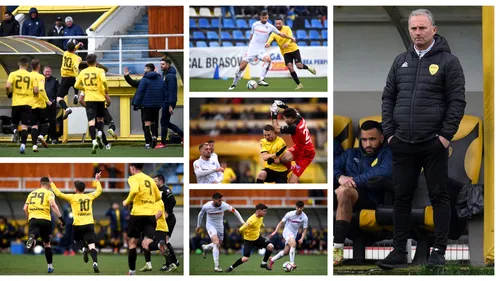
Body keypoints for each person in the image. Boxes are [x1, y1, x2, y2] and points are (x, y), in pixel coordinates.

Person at [378, 8, 466, 270]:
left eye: (422, 28)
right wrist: (390, 133)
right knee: (401, 198)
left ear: (433, 30)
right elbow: (388, 98)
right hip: (402, 142)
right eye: (413, 28)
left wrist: (444, 136)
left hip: (433, 143)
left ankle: (439, 252)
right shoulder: (399, 61)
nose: (417, 32)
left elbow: (457, 102)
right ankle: (397, 252)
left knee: (439, 196)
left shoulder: (450, 62)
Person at [333, 120, 392, 266]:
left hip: (374, 198)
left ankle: (336, 252)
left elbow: (385, 171)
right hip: (349, 196)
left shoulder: (388, 153)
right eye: (364, 139)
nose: (367, 144)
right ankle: (337, 252)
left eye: (372, 139)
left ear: (381, 138)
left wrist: (353, 181)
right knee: (341, 191)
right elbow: (333, 166)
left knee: (343, 191)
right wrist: (339, 177)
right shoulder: (350, 153)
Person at [49, 172, 103, 273]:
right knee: (92, 245)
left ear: (76, 189)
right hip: (89, 224)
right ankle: (95, 263)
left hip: (78, 225)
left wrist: (52, 183)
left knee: (77, 241)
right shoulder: (90, 196)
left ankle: (83, 250)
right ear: (84, 189)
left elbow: (59, 194)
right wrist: (97, 180)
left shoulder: (73, 197)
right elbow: (99, 191)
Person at [228, 10, 296, 90]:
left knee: (268, 59)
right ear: (260, 17)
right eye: (263, 18)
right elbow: (251, 36)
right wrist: (250, 46)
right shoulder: (255, 25)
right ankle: (234, 84)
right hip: (252, 50)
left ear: (268, 17)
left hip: (261, 50)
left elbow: (281, 34)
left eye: (266, 18)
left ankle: (261, 79)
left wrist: (291, 37)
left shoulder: (270, 27)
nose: (264, 19)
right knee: (241, 67)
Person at [123, 163, 164, 275]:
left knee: (132, 243)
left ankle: (132, 272)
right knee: (147, 242)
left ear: (132, 168)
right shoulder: (151, 180)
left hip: (137, 214)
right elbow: (158, 197)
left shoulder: (133, 178)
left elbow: (135, 190)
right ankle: (159, 245)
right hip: (150, 215)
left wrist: (127, 201)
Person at [23, 177, 65, 273]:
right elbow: (53, 205)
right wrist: (61, 218)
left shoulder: (31, 193)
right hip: (45, 220)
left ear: (40, 184)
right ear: (49, 185)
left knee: (34, 231)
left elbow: (24, 208)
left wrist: (28, 218)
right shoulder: (49, 193)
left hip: (33, 219)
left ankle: (32, 237)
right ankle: (50, 266)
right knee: (47, 243)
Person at [196, 192, 245, 272]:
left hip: (220, 227)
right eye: (219, 200)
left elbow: (234, 211)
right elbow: (200, 214)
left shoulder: (224, 205)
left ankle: (205, 247)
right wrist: (198, 226)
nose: (220, 202)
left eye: (221, 200)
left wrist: (242, 222)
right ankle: (217, 266)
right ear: (214, 200)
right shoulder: (206, 206)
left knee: (218, 244)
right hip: (210, 226)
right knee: (216, 242)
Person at [270, 100, 316, 183]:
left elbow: (276, 129)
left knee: (291, 182)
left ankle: (295, 173)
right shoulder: (298, 116)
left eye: (285, 119)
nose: (284, 120)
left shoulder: (294, 128)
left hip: (306, 154)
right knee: (283, 159)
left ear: (290, 119)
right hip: (299, 147)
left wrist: (274, 114)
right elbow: (292, 110)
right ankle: (291, 168)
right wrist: (283, 106)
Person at [74, 54, 111, 154]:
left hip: (89, 98)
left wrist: (85, 88)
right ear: (96, 61)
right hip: (99, 98)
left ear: (87, 62)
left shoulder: (83, 72)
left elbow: (76, 85)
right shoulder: (100, 71)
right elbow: (104, 81)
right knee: (100, 118)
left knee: (91, 121)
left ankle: (94, 141)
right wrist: (106, 90)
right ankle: (99, 133)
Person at [265, 18, 316, 90]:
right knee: (290, 67)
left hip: (294, 49)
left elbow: (291, 37)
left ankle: (309, 68)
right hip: (285, 52)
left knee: (299, 66)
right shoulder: (274, 33)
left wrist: (287, 43)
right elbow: (269, 39)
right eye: (276, 24)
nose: (278, 25)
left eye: (279, 23)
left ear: (282, 23)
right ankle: (299, 84)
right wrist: (268, 43)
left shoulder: (287, 28)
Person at [225, 203, 274, 272]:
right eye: (264, 211)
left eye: (265, 211)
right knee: (245, 258)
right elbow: (240, 229)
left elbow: (260, 221)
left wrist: (262, 224)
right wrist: (246, 230)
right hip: (249, 241)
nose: (265, 213)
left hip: (257, 238)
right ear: (259, 211)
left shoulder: (261, 216)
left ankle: (263, 263)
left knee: (271, 246)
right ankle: (231, 267)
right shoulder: (251, 220)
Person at [5, 56, 39, 154]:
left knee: (14, 124)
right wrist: (34, 93)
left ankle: (15, 131)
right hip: (27, 103)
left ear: (18, 64)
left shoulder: (13, 74)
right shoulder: (31, 76)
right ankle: (23, 145)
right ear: (27, 65)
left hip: (16, 103)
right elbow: (36, 90)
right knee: (24, 126)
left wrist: (9, 93)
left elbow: (7, 86)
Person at [132, 63, 166, 149]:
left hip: (147, 104)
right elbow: (163, 91)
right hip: (157, 104)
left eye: (145, 68)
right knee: (154, 122)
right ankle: (154, 137)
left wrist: (136, 103)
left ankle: (148, 142)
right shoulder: (160, 78)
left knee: (147, 123)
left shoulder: (144, 79)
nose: (144, 70)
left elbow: (140, 92)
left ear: (148, 69)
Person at [269, 201, 308, 269]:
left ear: (303, 208)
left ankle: (272, 259)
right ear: (296, 207)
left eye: (301, 208)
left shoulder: (305, 217)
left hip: (294, 234)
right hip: (287, 231)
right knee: (293, 244)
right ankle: (292, 263)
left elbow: (305, 229)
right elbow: (281, 223)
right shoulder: (289, 214)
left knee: (286, 252)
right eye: (298, 207)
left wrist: (302, 238)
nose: (299, 209)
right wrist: (275, 231)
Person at [157, 57, 184, 148]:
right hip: (166, 101)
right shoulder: (166, 75)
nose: (161, 66)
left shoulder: (171, 76)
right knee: (164, 122)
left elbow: (172, 91)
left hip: (168, 102)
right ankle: (183, 135)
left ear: (168, 65)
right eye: (161, 64)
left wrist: (170, 105)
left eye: (163, 64)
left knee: (164, 122)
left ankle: (163, 143)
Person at [154, 174, 179, 270]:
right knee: (163, 242)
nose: (154, 183)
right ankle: (173, 261)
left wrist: (167, 211)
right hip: (162, 220)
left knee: (164, 241)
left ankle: (171, 262)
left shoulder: (165, 190)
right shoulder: (156, 191)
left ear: (161, 181)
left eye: (155, 181)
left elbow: (173, 201)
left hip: (169, 219)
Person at [56, 40, 83, 119]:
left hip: (65, 78)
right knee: (76, 84)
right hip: (73, 77)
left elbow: (71, 50)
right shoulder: (78, 58)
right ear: (74, 49)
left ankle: (67, 109)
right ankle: (75, 95)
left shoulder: (65, 54)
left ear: (67, 48)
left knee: (59, 98)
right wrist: (77, 76)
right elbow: (75, 66)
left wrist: (77, 45)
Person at [29, 59, 50, 152]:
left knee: (34, 126)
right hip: (40, 104)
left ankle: (34, 146)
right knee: (46, 124)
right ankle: (41, 136)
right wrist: (47, 100)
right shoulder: (40, 76)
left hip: (29, 104)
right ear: (38, 66)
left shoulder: (27, 76)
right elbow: (41, 90)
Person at [43, 66, 60, 144]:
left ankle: (54, 139)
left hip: (52, 104)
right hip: (42, 104)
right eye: (46, 71)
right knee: (42, 122)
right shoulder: (40, 80)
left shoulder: (55, 80)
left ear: (51, 72)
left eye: (49, 71)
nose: (47, 73)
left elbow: (58, 92)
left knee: (52, 122)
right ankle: (41, 138)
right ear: (43, 72)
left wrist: (53, 100)